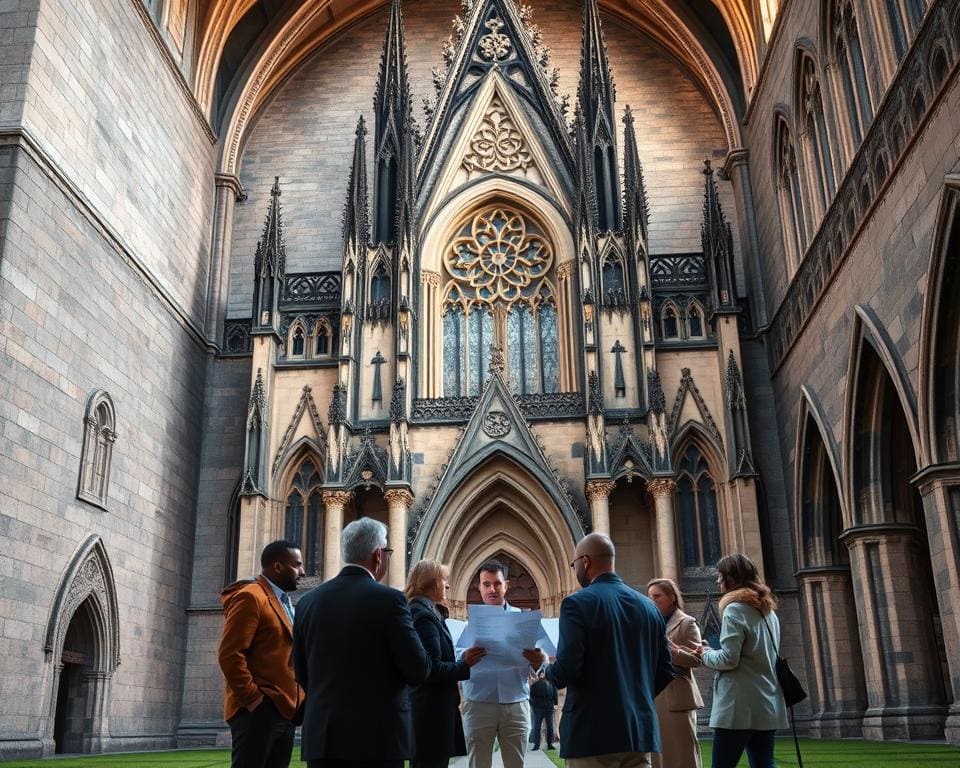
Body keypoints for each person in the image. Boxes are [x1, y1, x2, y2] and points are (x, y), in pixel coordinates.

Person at [523, 533, 675, 768]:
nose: (575, 570)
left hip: (590, 734)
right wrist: (632, 699)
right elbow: (666, 670)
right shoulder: (649, 607)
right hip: (638, 734)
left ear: (586, 562)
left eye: (574, 564)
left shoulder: (577, 604)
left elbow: (566, 671)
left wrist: (543, 664)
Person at [292, 518, 431, 768]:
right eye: (388, 551)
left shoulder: (306, 603)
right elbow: (418, 669)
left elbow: (301, 673)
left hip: (324, 739)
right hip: (379, 740)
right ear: (378, 555)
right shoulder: (391, 600)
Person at [218, 540, 305, 768]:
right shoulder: (251, 596)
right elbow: (230, 654)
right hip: (258, 712)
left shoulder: (283, 602)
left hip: (284, 711)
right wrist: (254, 699)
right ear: (277, 567)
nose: (303, 572)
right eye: (297, 565)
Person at [695, 553, 787, 768]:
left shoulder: (734, 608)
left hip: (738, 706)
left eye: (720, 577)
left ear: (732, 578)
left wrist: (704, 653)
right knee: (764, 763)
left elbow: (729, 659)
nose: (718, 582)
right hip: (765, 701)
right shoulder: (767, 610)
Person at [405, 559, 487, 768]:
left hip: (433, 712)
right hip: (430, 714)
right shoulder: (423, 616)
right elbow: (431, 668)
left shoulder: (427, 611)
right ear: (431, 583)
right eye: (444, 580)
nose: (447, 585)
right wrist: (464, 663)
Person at [461, 560, 529, 768]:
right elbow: (457, 659)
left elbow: (540, 659)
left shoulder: (523, 618)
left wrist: (539, 659)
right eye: (486, 584)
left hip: (515, 701)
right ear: (479, 588)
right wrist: (466, 656)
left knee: (516, 764)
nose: (492, 589)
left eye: (497, 584)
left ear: (506, 585)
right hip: (479, 702)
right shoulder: (467, 623)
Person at [646, 578, 704, 768]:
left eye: (657, 596)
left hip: (678, 699)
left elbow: (697, 659)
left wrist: (674, 651)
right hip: (653, 698)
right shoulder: (650, 624)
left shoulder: (686, 623)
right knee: (658, 756)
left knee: (683, 755)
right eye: (650, 597)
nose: (653, 601)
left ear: (671, 596)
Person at [529, 671, 558, 750]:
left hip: (549, 709)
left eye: (544, 674)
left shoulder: (551, 685)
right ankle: (536, 745)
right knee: (536, 727)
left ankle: (549, 744)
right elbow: (530, 696)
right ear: (539, 676)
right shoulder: (535, 685)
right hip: (538, 709)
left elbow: (555, 696)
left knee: (550, 727)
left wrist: (554, 705)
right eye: (541, 674)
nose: (543, 675)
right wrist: (534, 705)